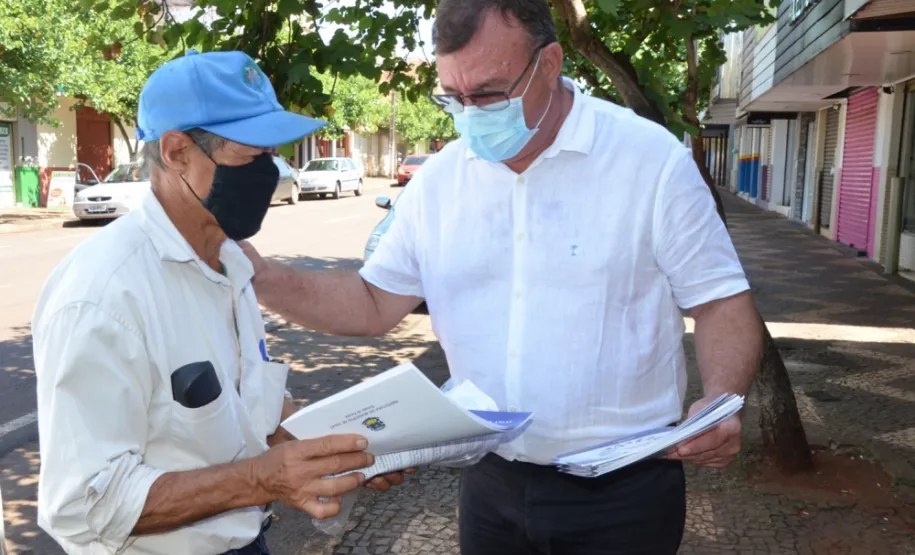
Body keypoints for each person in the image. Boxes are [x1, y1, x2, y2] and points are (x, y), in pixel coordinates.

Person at [241, 0, 765, 553]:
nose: (470, 113)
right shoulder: (439, 181)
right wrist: (263, 276)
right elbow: (371, 303)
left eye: (488, 93)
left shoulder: (648, 161)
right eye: (452, 98)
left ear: (550, 63)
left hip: (623, 491)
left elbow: (720, 301)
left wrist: (723, 397)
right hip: (491, 483)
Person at [32, 50, 402, 555]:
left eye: (272, 155)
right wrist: (259, 481)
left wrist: (339, 450)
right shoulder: (102, 295)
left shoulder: (230, 262)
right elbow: (83, 503)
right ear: (177, 151)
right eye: (251, 158)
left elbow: (249, 419)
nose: (269, 173)